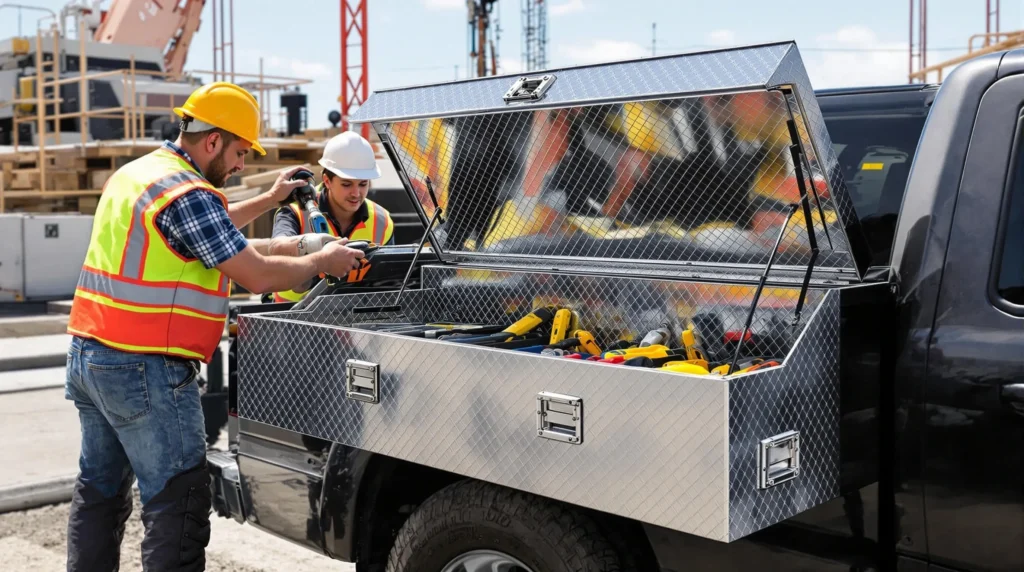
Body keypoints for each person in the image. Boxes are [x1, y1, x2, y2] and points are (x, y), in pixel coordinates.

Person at [62, 81, 366, 571]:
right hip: (146, 369)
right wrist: (321, 262)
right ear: (212, 142)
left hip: (91, 357)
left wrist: (273, 206)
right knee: (177, 505)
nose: (242, 163)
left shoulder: (142, 174)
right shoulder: (186, 193)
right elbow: (254, 272)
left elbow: (214, 232)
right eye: (241, 151)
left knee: (99, 493)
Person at [267, 130, 395, 303]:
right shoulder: (296, 212)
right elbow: (276, 248)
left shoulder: (383, 222)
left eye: (363, 184)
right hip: (290, 317)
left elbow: (389, 283)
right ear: (327, 181)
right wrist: (314, 245)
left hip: (351, 318)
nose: (356, 193)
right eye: (346, 184)